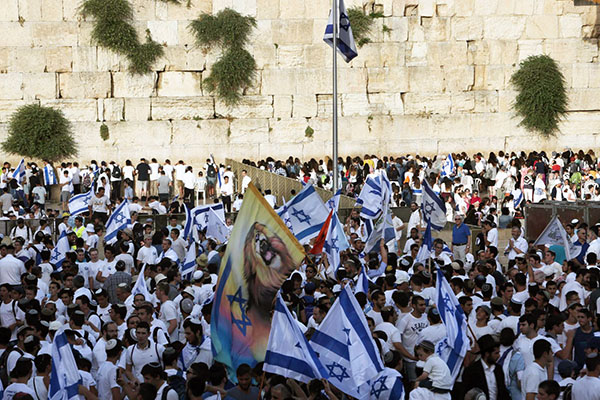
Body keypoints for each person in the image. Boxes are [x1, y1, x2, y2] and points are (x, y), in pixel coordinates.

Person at [463, 334, 510, 400]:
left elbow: (503, 392)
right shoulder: (471, 371)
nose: (499, 356)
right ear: (487, 354)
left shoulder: (498, 369)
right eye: (496, 353)